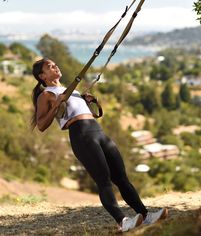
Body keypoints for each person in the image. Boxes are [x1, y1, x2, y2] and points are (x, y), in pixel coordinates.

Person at [31, 58, 168, 232]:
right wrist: (56, 105)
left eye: (55, 64)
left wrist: (86, 101)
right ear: (42, 76)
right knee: (104, 181)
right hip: (81, 136)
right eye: (50, 67)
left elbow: (78, 111)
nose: (55, 66)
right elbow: (41, 125)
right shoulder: (46, 95)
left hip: (98, 132)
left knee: (121, 178)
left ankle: (146, 215)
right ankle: (122, 221)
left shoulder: (71, 90)